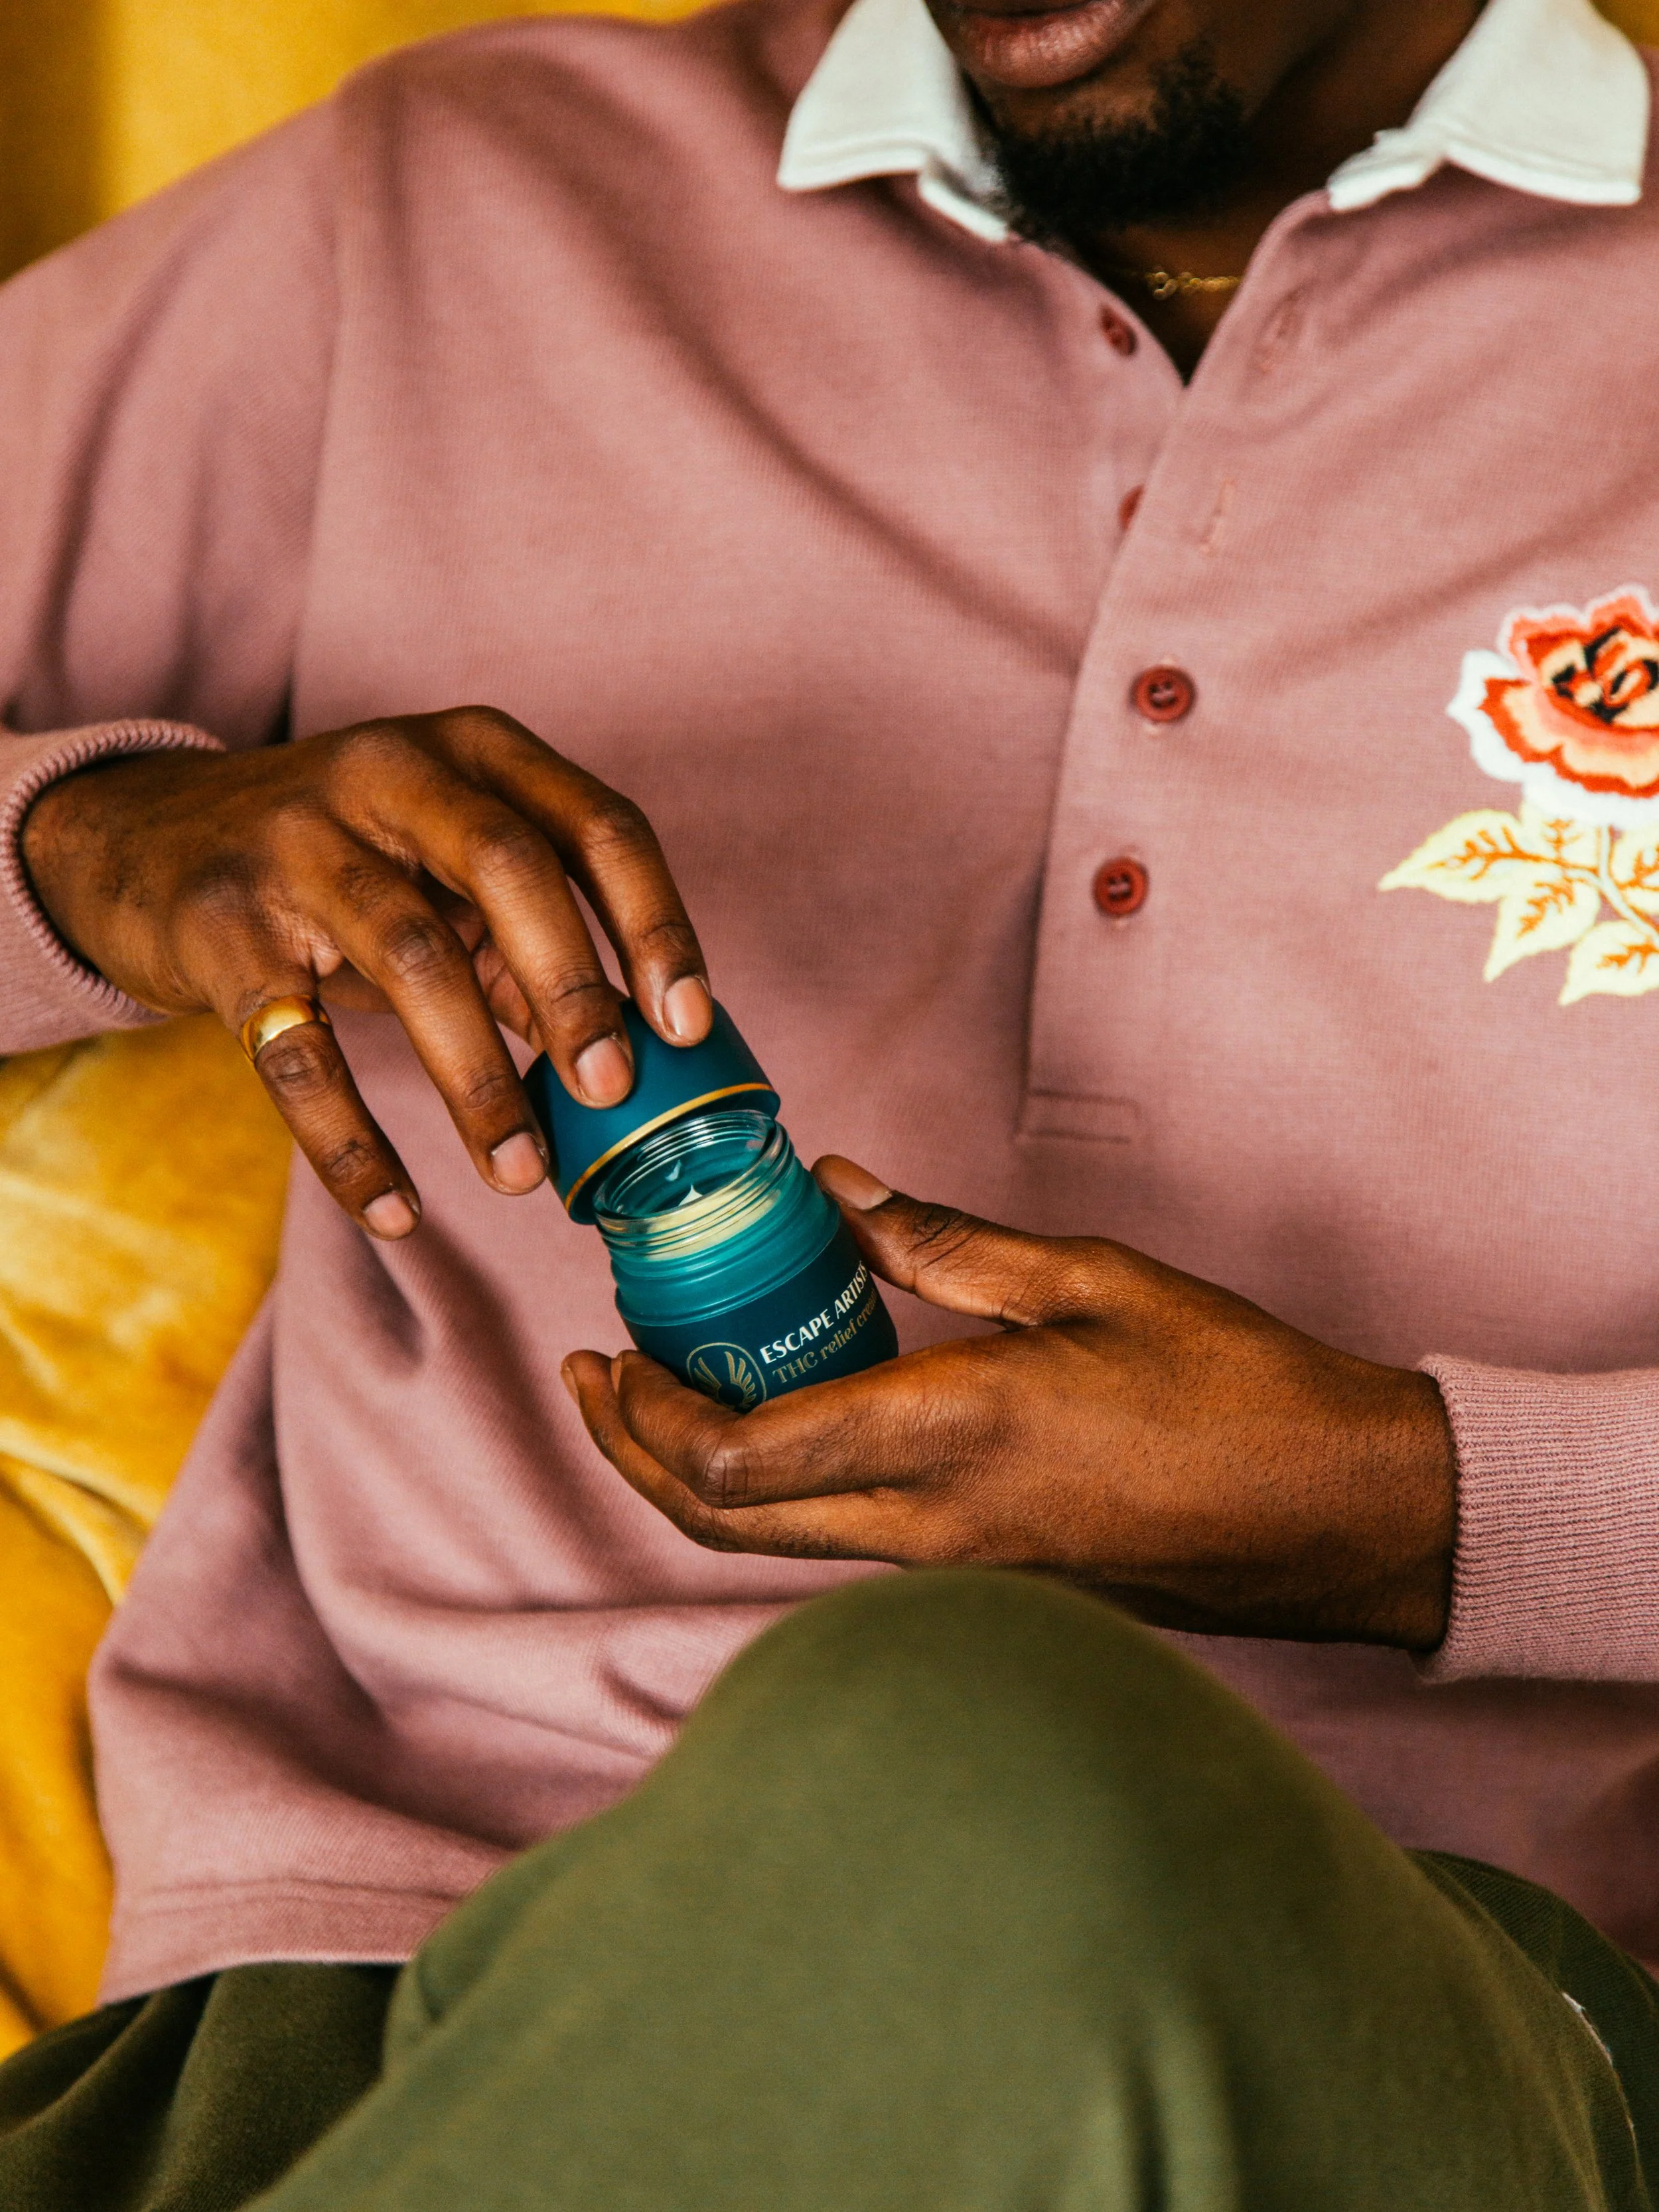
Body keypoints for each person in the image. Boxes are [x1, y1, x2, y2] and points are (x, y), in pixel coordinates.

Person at [1, 0, 1658, 2198]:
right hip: (390, 1999)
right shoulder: (462, 199)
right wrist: (85, 852)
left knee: (966, 1749)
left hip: (1404, 2014)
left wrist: (1412, 1504)